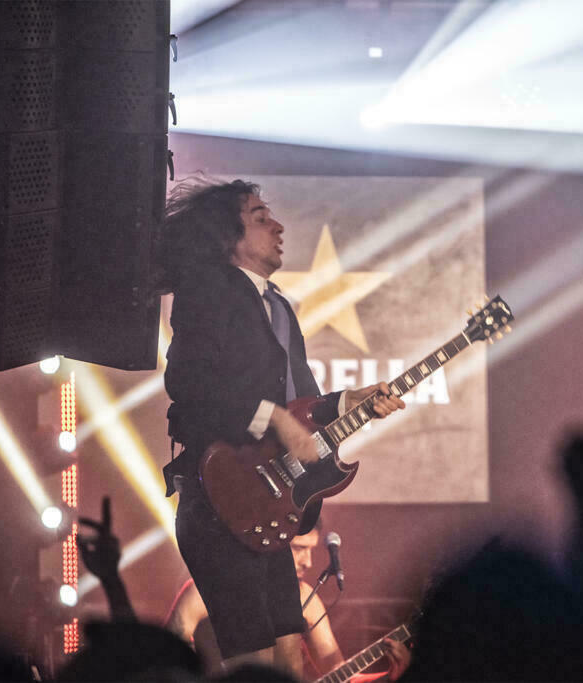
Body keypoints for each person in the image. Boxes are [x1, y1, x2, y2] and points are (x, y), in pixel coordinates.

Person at [153, 179, 405, 678]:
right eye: (260, 217)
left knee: (289, 658)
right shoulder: (206, 292)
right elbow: (187, 382)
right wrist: (273, 419)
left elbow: (301, 401)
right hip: (219, 500)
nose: (278, 226)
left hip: (266, 511)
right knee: (255, 661)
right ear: (229, 236)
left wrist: (349, 401)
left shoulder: (279, 307)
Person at [165, 523, 411, 680]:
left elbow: (340, 673)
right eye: (298, 549)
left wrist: (390, 676)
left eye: (311, 550)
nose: (308, 562)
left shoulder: (306, 598)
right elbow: (165, 661)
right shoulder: (207, 590)